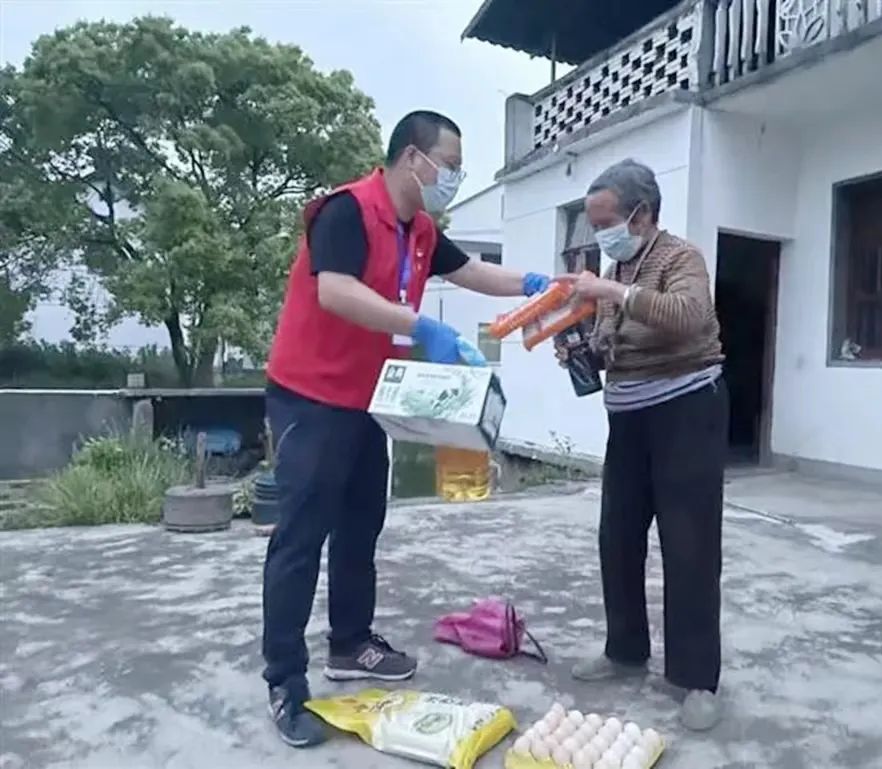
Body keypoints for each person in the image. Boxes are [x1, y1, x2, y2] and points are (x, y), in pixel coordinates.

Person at [262, 110, 551, 747]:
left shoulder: (419, 228)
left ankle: (350, 644)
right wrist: (419, 325)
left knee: (360, 524)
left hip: (368, 399)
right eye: (450, 165)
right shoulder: (346, 211)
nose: (454, 177)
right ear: (412, 158)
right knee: (301, 538)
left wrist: (534, 283)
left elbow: (471, 271)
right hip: (310, 395)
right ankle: (285, 680)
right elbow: (335, 291)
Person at [557, 159, 728, 731]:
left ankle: (696, 678)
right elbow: (615, 343)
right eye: (594, 223)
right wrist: (584, 350)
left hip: (687, 411)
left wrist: (613, 290)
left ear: (642, 213)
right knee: (618, 536)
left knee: (689, 544)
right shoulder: (617, 269)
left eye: (606, 221)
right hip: (628, 418)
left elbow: (688, 316)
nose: (600, 233)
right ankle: (625, 650)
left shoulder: (680, 258)